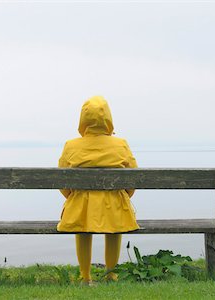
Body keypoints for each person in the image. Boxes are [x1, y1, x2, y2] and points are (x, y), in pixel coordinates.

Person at [57, 96, 139, 285]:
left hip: (81, 207)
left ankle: (85, 276)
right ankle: (111, 274)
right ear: (108, 119)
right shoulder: (121, 144)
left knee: (83, 229)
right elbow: (133, 178)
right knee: (114, 228)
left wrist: (73, 197)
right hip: (114, 205)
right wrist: (124, 196)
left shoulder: (71, 145)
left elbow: (61, 181)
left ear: (83, 119)